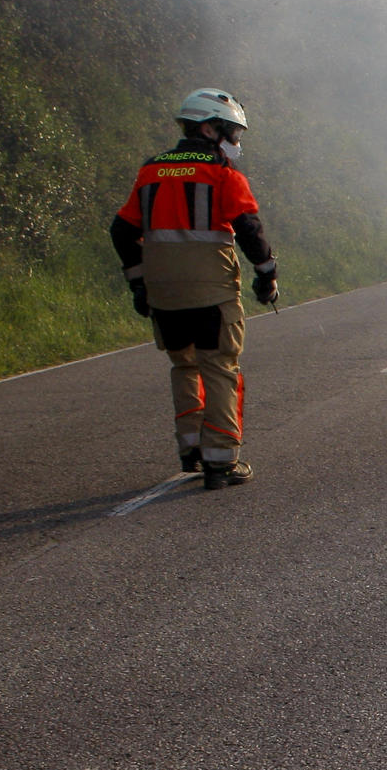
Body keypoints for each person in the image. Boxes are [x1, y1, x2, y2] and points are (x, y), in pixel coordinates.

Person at [110, 88, 279, 490]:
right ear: (208, 128)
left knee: (184, 366)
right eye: (231, 133)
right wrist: (267, 273)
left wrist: (138, 282)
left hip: (164, 294)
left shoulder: (151, 171)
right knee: (219, 367)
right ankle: (222, 462)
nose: (235, 143)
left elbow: (121, 230)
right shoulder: (222, 174)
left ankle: (192, 451)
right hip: (211, 292)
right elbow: (249, 229)